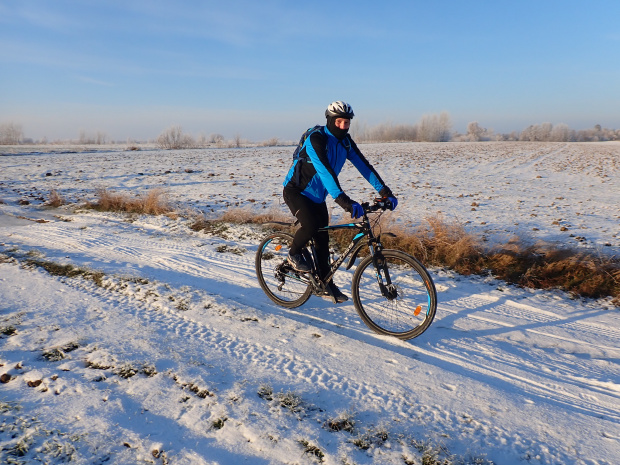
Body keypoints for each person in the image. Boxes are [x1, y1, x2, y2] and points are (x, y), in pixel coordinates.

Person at [282, 101, 398, 303]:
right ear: (330, 120)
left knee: (323, 241)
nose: (343, 126)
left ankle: (326, 283)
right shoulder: (316, 139)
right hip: (296, 191)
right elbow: (325, 171)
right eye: (339, 122)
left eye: (347, 122)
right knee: (310, 226)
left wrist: (385, 191)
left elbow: (364, 166)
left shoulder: (345, 142)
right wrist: (343, 200)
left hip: (318, 197)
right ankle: (293, 254)